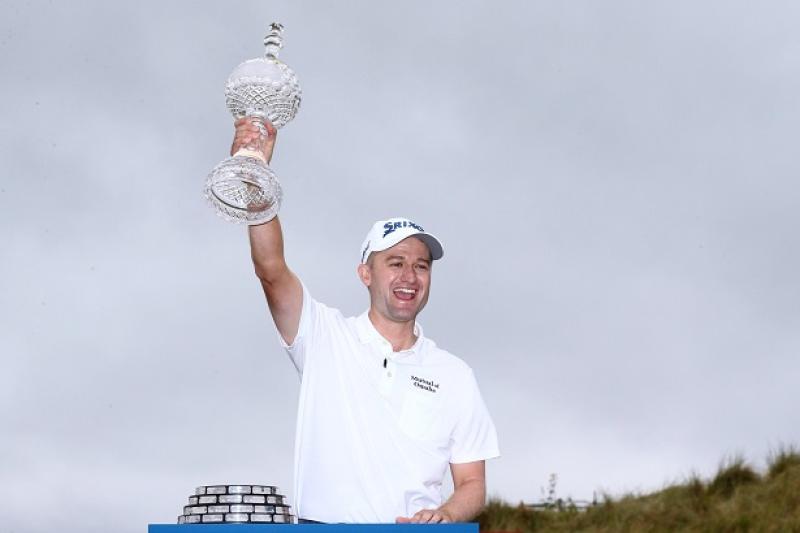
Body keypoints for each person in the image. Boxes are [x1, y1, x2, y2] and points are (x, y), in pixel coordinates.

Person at [231, 119, 499, 524]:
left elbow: (472, 483)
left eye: (421, 266)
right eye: (395, 263)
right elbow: (270, 268)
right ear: (365, 274)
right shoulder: (323, 335)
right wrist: (256, 179)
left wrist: (446, 514)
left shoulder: (455, 375)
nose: (410, 277)